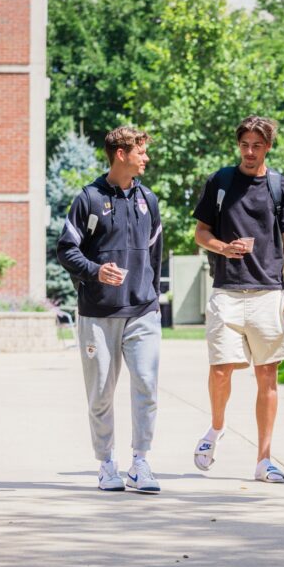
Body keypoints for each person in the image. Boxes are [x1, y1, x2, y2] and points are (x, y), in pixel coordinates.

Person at [191, 116, 284, 483]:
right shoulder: (220, 182)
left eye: (257, 145)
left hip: (269, 292)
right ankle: (217, 427)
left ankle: (264, 460)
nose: (250, 152)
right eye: (244, 145)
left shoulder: (279, 187)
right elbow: (200, 233)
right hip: (226, 290)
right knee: (221, 368)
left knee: (266, 375)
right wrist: (223, 248)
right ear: (238, 145)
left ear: (268, 146)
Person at [57, 126, 164, 493]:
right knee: (101, 392)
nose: (146, 157)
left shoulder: (147, 200)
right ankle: (106, 464)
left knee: (147, 386)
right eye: (141, 151)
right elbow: (66, 249)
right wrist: (95, 271)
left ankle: (141, 463)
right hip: (98, 314)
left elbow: (155, 256)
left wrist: (152, 297)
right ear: (121, 154)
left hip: (142, 312)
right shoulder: (88, 199)